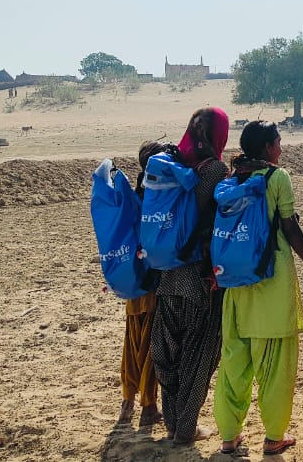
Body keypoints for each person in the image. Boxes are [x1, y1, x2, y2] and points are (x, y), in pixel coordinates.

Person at [214, 120, 303, 457]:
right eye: (277, 141)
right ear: (266, 147)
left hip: (236, 285)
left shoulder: (232, 180)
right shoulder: (277, 178)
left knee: (234, 364)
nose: (281, 147)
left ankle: (229, 436)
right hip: (272, 285)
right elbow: (290, 227)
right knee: (275, 367)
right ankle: (274, 436)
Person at [149, 108, 229, 444]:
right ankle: (185, 429)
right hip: (200, 277)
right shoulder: (215, 170)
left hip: (168, 274)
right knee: (198, 355)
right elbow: (217, 219)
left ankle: (172, 423)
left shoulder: (172, 165)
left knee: (169, 352)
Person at [116, 141, 165, 428]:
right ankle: (149, 407)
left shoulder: (136, 195)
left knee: (132, 341)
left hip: (132, 279)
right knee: (150, 345)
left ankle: (127, 403)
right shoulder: (157, 197)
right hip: (152, 280)